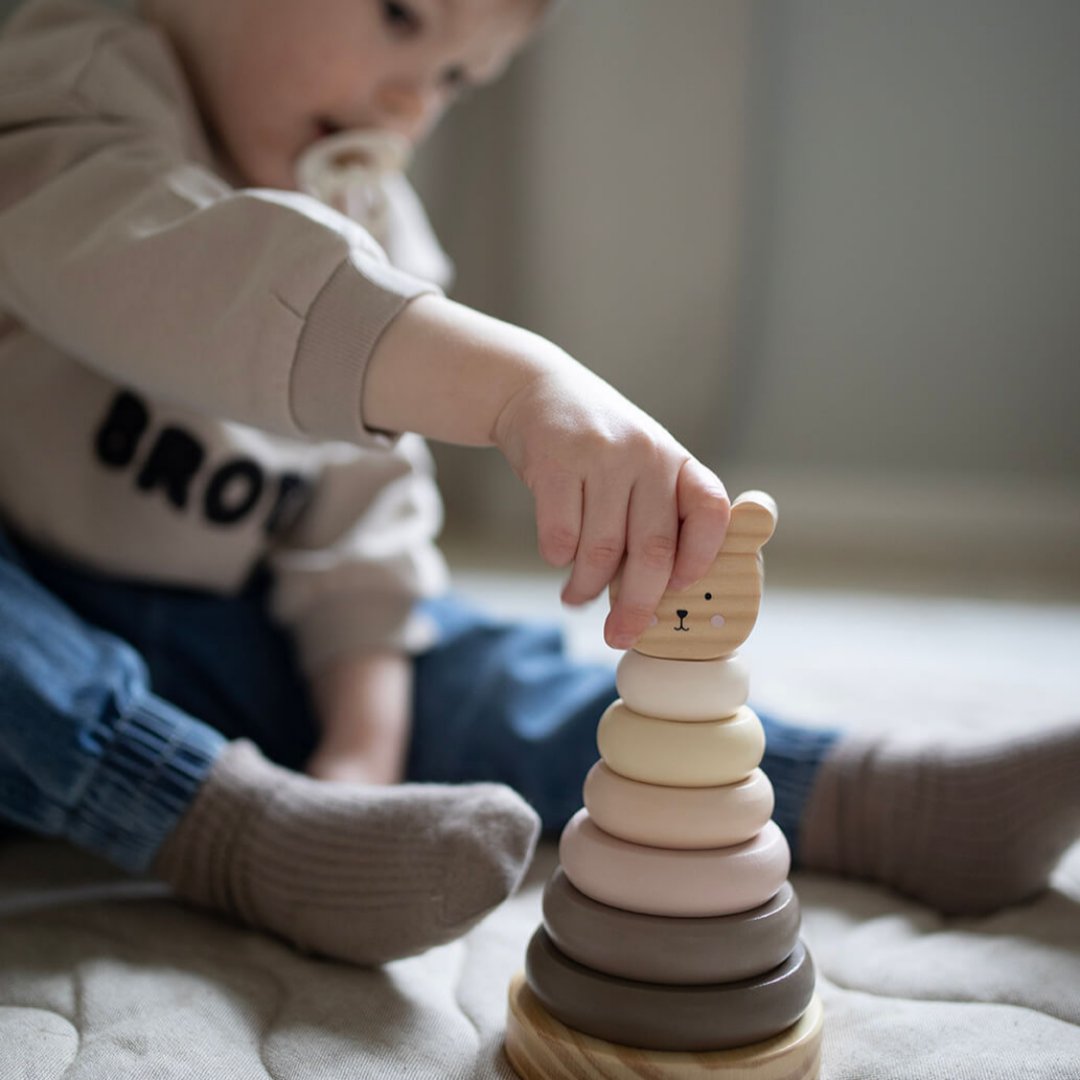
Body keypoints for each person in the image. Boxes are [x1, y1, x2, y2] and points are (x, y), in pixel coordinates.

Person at [0, 0, 1077, 973]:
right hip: (27, 627)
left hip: (214, 640)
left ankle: (877, 801)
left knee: (472, 669)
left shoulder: (369, 218)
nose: (414, 96)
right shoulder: (66, 73)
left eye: (462, 77)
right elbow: (176, 269)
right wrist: (514, 385)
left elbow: (364, 531)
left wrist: (361, 752)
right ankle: (230, 830)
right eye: (399, 14)